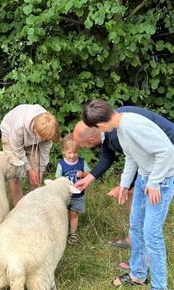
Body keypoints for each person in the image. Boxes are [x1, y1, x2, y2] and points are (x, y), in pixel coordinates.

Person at [82, 99, 174, 290]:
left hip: (160, 182)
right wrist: (125, 184)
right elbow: (132, 156)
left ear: (100, 126)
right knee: (135, 226)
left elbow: (167, 151)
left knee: (151, 233)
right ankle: (137, 274)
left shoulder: (133, 125)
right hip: (144, 177)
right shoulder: (120, 127)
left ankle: (159, 289)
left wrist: (154, 182)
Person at [73, 106, 174, 253]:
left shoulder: (118, 132)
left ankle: (140, 245)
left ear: (92, 137)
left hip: (167, 148)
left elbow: (137, 159)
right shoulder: (108, 124)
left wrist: (125, 186)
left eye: (82, 145)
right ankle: (135, 240)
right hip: (155, 154)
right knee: (135, 191)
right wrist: (88, 179)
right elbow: (108, 157)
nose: (82, 148)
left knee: (138, 195)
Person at [0, 104, 60, 206]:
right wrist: (29, 169)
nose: (46, 141)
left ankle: (32, 208)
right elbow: (17, 149)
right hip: (11, 136)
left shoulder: (49, 129)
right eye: (44, 139)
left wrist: (40, 171)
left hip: (32, 140)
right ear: (36, 131)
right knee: (15, 176)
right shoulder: (19, 126)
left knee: (35, 177)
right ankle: (18, 208)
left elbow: (45, 152)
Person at [55, 134, 90, 243]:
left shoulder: (82, 162)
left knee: (74, 213)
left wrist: (83, 174)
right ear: (63, 151)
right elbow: (57, 179)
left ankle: (73, 234)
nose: (72, 155)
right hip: (65, 195)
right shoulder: (61, 164)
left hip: (78, 195)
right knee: (62, 213)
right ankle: (62, 233)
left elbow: (89, 174)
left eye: (75, 152)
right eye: (69, 152)